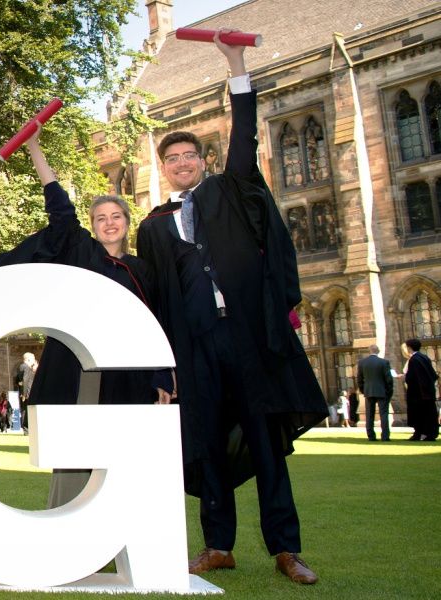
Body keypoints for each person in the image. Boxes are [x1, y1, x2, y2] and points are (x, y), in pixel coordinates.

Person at [134, 30, 327, 585]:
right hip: (197, 351)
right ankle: (218, 545)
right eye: (172, 158)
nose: (182, 164)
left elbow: (245, 141)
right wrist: (162, 367)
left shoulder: (228, 193)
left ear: (202, 161)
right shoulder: (154, 226)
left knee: (267, 448)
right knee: (209, 448)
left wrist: (236, 65)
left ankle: (286, 549)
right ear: (164, 168)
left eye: (190, 155)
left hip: (246, 340)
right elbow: (154, 295)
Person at [0, 121, 162, 506]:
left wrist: (160, 376)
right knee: (77, 451)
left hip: (128, 375)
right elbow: (59, 209)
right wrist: (35, 149)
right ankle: (67, 523)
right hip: (81, 369)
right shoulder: (81, 252)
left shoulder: (142, 271)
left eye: (116, 217)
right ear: (93, 226)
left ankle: (118, 533)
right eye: (101, 218)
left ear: (127, 222)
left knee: (123, 456)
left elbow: (154, 327)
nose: (109, 223)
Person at [402, 339, 439, 441]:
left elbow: (412, 377)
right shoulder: (424, 357)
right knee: (429, 413)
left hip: (417, 393)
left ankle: (419, 433)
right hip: (428, 391)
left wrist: (405, 377)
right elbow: (432, 374)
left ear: (409, 347)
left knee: (419, 414)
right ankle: (430, 433)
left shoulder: (414, 360)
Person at [355, 345, 393, 442]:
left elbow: (359, 379)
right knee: (384, 414)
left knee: (369, 414)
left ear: (369, 351)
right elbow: (389, 379)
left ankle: (371, 436)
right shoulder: (384, 362)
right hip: (382, 391)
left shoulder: (362, 363)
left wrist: (363, 390)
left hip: (369, 391)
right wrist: (389, 391)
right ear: (378, 351)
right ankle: (385, 436)